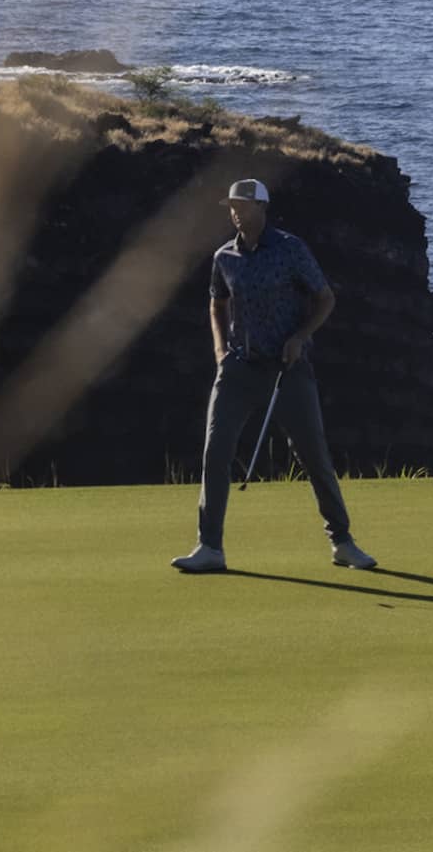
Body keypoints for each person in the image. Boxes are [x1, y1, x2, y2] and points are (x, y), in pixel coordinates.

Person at [171, 178, 377, 575]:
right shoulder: (224, 257)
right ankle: (210, 547)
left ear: (262, 208)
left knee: (314, 456)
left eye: (243, 206)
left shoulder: (290, 250)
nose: (236, 212)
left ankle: (343, 542)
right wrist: (219, 352)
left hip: (288, 369)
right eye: (232, 205)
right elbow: (217, 303)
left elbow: (325, 298)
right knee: (216, 453)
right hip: (238, 368)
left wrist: (301, 337)